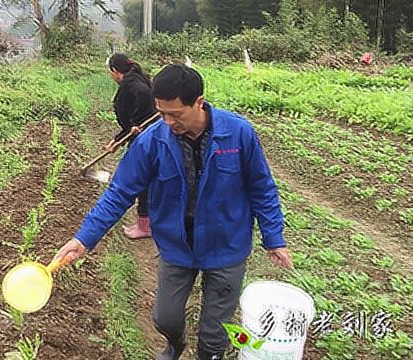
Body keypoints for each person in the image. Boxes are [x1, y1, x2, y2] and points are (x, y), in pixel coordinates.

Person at [53, 64, 293, 360]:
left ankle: (209, 354)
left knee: (214, 331)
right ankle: (175, 345)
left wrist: (274, 237)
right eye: (161, 112)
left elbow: (262, 187)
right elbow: (119, 193)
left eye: (175, 114)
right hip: (177, 246)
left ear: (199, 103)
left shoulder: (238, 134)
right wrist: (83, 239)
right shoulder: (151, 142)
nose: (167, 121)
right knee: (165, 318)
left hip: (226, 245)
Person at [105, 53, 158, 239]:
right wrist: (119, 138)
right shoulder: (134, 78)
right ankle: (146, 222)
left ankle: (145, 226)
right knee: (145, 177)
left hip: (144, 138)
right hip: (143, 134)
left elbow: (144, 97)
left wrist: (137, 122)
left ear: (114, 70)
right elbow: (131, 122)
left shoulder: (132, 83)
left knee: (141, 177)